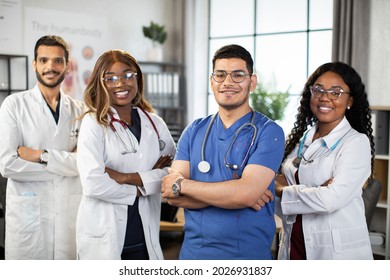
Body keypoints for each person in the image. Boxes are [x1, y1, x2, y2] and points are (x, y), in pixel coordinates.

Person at [161, 44, 285, 260]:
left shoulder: (269, 132)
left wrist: (184, 185)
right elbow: (172, 196)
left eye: (238, 75)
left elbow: (245, 194)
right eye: (220, 75)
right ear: (212, 81)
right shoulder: (194, 130)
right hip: (194, 256)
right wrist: (236, 193)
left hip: (246, 258)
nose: (228, 82)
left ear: (252, 82)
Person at [76, 49, 176, 260]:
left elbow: (174, 174)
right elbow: (93, 183)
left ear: (137, 78)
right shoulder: (93, 123)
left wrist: (125, 178)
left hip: (144, 236)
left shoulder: (154, 123)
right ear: (100, 83)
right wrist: (143, 185)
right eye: (110, 78)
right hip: (105, 237)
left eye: (128, 75)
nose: (121, 83)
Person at [275, 61, 375, 260]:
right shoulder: (300, 140)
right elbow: (272, 189)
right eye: (318, 90)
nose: (325, 97)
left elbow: (331, 199)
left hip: (335, 253)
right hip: (293, 244)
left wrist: (281, 189)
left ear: (350, 101)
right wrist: (315, 190)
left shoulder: (355, 143)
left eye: (336, 92)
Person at [0, 35, 86, 259]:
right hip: (28, 219)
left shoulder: (81, 111)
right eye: (44, 60)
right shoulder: (14, 105)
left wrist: (39, 156)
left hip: (69, 217)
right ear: (34, 64)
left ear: (66, 65)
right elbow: (8, 166)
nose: (51, 67)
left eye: (58, 61)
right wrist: (66, 165)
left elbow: (85, 165)